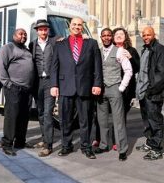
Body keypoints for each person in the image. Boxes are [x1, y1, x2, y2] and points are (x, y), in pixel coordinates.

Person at [50, 17, 103, 159]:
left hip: (85, 87)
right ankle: (66, 145)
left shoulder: (91, 43)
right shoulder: (60, 44)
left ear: (82, 27)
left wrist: (97, 84)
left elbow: (97, 66)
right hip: (65, 87)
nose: (77, 27)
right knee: (65, 119)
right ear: (69, 26)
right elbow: (54, 66)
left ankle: (86, 146)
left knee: (85, 120)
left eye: (79, 25)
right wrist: (54, 85)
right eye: (74, 24)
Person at [0, 28, 35, 156]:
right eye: (20, 34)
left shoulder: (26, 50)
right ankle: (7, 144)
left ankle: (20, 141)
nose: (23, 36)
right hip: (14, 88)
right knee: (12, 117)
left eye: (25, 34)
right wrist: (8, 84)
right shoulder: (7, 48)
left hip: (27, 89)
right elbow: (0, 67)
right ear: (14, 35)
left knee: (24, 116)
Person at [95, 28, 132, 161]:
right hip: (101, 90)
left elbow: (128, 70)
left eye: (108, 35)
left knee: (118, 121)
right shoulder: (97, 51)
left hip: (114, 87)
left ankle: (122, 149)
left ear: (111, 37)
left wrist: (121, 88)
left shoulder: (120, 51)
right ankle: (104, 144)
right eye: (104, 36)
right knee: (102, 119)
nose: (106, 38)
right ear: (101, 37)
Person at [135, 26, 164, 160]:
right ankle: (150, 143)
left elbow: (161, 73)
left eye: (148, 35)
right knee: (147, 121)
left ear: (154, 35)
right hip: (144, 93)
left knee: (155, 121)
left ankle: (157, 149)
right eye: (144, 35)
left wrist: (151, 90)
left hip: (152, 93)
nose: (146, 37)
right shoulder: (145, 50)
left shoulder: (159, 49)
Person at [28, 19, 58, 157]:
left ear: (48, 30)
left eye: (45, 29)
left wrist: (84, 36)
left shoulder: (55, 41)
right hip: (37, 82)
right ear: (37, 31)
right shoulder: (32, 44)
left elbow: (69, 39)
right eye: (40, 29)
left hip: (50, 82)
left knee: (48, 113)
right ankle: (44, 137)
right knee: (40, 112)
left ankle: (48, 145)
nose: (43, 31)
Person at [112, 27, 140, 117]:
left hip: (126, 88)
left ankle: (119, 131)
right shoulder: (109, 50)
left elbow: (137, 68)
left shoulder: (131, 50)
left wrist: (131, 58)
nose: (119, 36)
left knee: (122, 113)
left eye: (121, 34)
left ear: (125, 37)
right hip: (111, 85)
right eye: (116, 34)